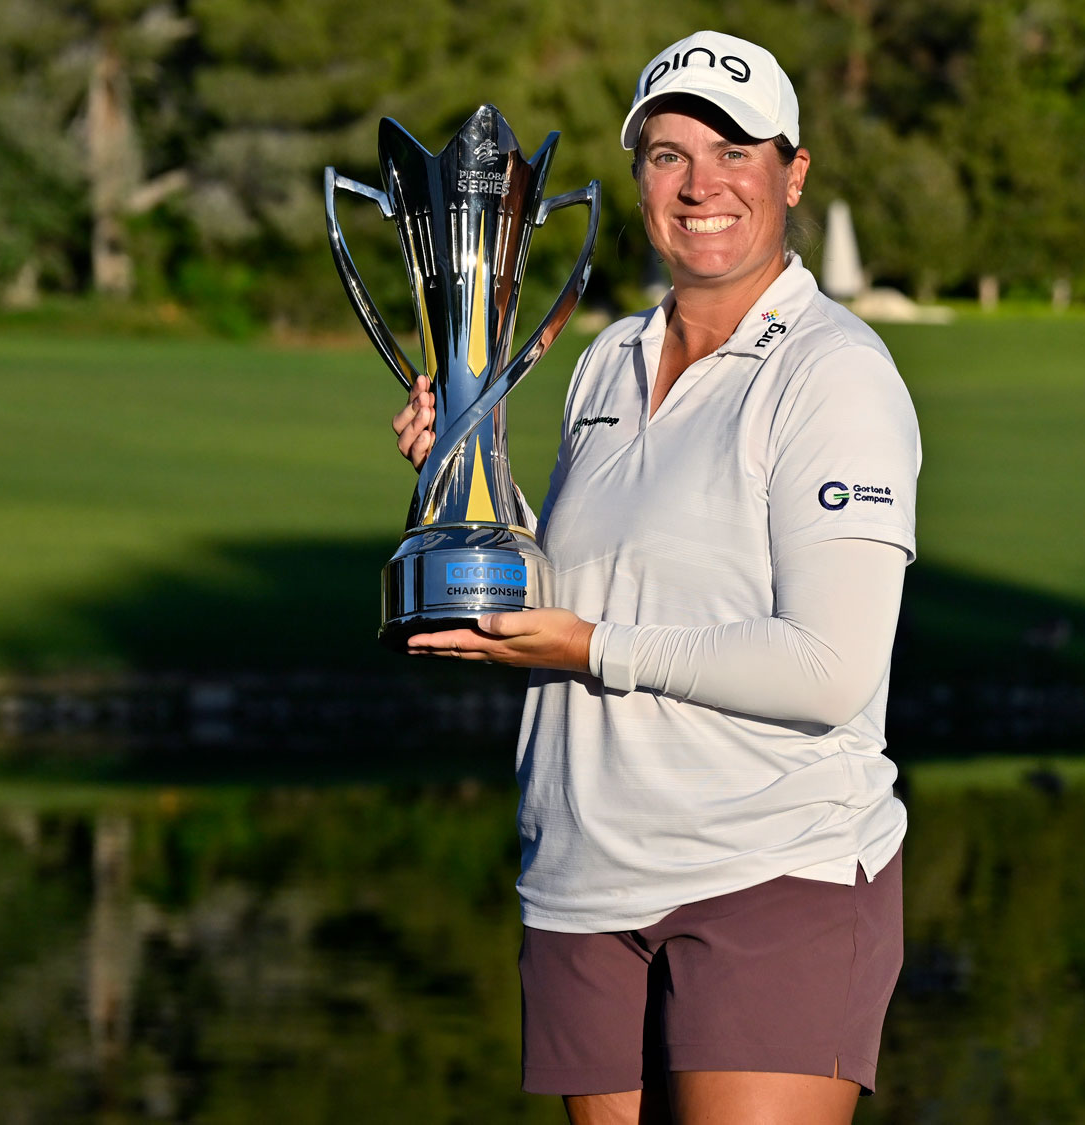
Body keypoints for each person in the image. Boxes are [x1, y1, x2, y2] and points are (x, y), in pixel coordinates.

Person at [391, 31, 920, 1125]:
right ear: (637, 180)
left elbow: (828, 669)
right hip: (585, 881)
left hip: (772, 873)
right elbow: (605, 579)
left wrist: (586, 648)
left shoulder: (834, 374)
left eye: (734, 149)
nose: (700, 183)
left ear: (794, 171)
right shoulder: (605, 360)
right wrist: (467, 487)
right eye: (668, 154)